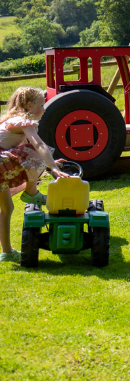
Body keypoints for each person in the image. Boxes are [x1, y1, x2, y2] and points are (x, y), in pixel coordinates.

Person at [0, 87, 68, 262]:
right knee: (38, 150)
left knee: (7, 209)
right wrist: (52, 165)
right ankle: (31, 193)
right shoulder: (24, 122)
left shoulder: (11, 120)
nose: (44, 109)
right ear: (29, 105)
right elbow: (38, 145)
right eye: (41, 104)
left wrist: (48, 163)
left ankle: (6, 252)